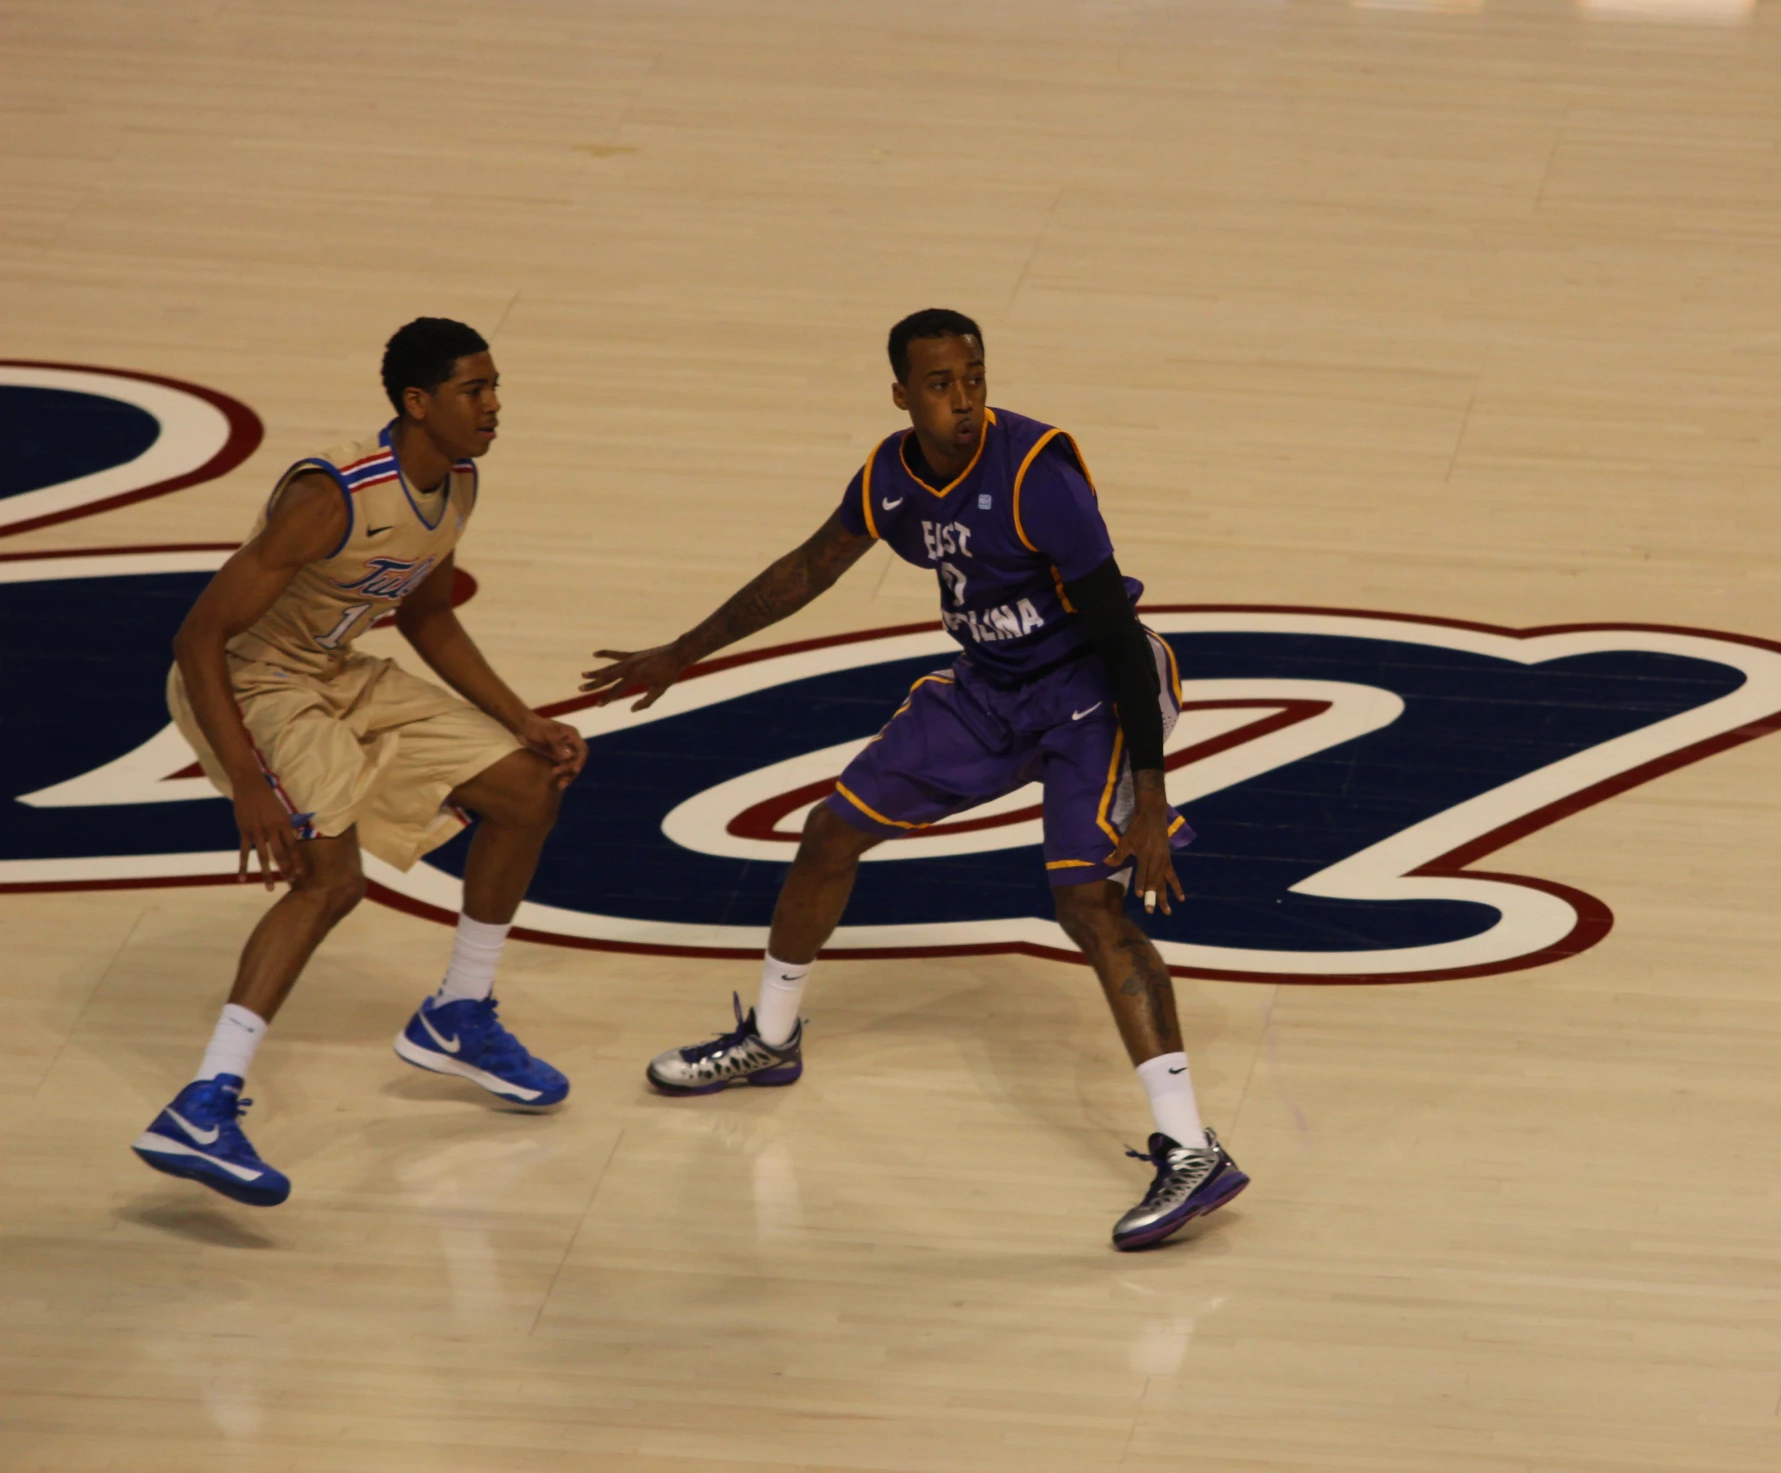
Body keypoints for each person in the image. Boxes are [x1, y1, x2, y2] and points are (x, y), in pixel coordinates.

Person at [581, 309, 1248, 1251]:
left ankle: (1193, 1149)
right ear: (902, 395)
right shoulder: (892, 476)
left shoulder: (1036, 477)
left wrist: (1151, 790)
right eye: (941, 384)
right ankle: (771, 1040)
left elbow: (1117, 638)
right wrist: (684, 651)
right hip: (987, 691)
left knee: (1087, 902)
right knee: (829, 832)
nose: (965, 399)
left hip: (1091, 693)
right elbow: (809, 566)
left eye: (974, 377)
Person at [132, 318, 587, 1208]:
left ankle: (458, 1013)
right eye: (474, 390)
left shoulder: (458, 482)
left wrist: (520, 717)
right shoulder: (331, 494)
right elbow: (200, 638)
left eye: (496, 387)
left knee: (529, 789)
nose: (494, 406)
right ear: (418, 404)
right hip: (249, 684)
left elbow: (427, 616)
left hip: (332, 670)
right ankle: (203, 1101)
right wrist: (251, 780)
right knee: (329, 880)